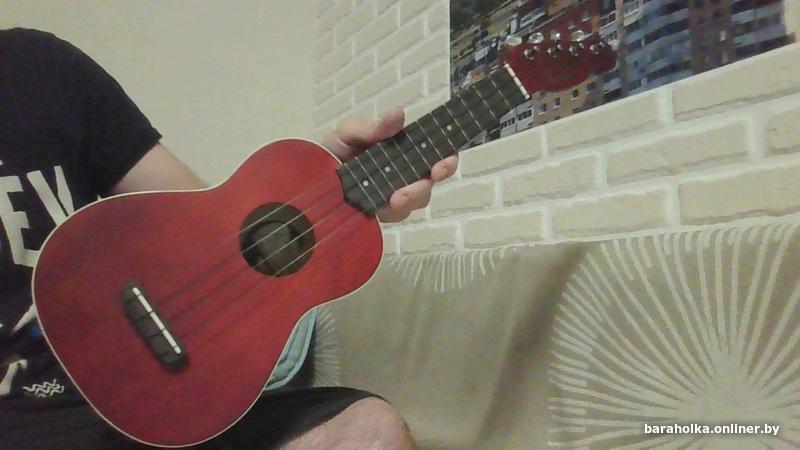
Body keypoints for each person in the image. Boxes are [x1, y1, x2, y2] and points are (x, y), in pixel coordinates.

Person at [0, 28, 458, 449]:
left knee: (370, 430)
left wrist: (324, 193)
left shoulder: (38, 66)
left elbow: (207, 227)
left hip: (147, 406)